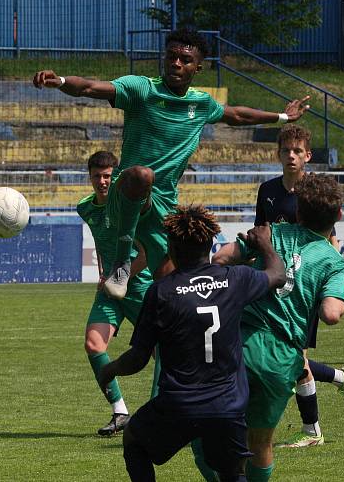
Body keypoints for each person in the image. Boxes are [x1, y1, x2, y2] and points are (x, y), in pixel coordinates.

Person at [32, 28, 309, 301]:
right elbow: (91, 87)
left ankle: (164, 344)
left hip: (163, 206)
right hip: (126, 194)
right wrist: (61, 80)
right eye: (171, 56)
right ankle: (121, 261)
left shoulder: (200, 104)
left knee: (172, 289)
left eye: (185, 59)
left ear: (197, 68)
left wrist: (283, 117)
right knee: (142, 175)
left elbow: (236, 115)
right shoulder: (143, 89)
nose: (176, 62)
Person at [98, 205, 286, 482]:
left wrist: (109, 370)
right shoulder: (235, 279)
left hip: (179, 404)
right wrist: (265, 245)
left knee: (134, 440)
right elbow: (277, 274)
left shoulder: (161, 292)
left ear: (171, 248)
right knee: (232, 474)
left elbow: (138, 358)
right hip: (228, 405)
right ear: (211, 244)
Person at [212, 125, 344, 449]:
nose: (291, 156)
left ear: (307, 155)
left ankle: (311, 427)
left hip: (299, 288)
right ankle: (330, 394)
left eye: (297, 151)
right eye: (286, 150)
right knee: (295, 360)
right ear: (278, 154)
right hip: (273, 284)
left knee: (295, 358)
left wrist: (322, 273)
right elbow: (259, 234)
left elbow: (326, 241)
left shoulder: (314, 192)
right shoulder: (269, 191)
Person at [78, 150, 153, 436]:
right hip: (110, 288)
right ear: (89, 177)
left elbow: (146, 255)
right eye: (97, 176)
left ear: (117, 177)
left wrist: (118, 277)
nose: (102, 181)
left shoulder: (130, 206)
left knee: (165, 353)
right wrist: (103, 274)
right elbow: (100, 242)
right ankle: (120, 411)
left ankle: (173, 415)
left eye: (108, 176)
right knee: (94, 345)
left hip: (140, 286)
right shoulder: (85, 208)